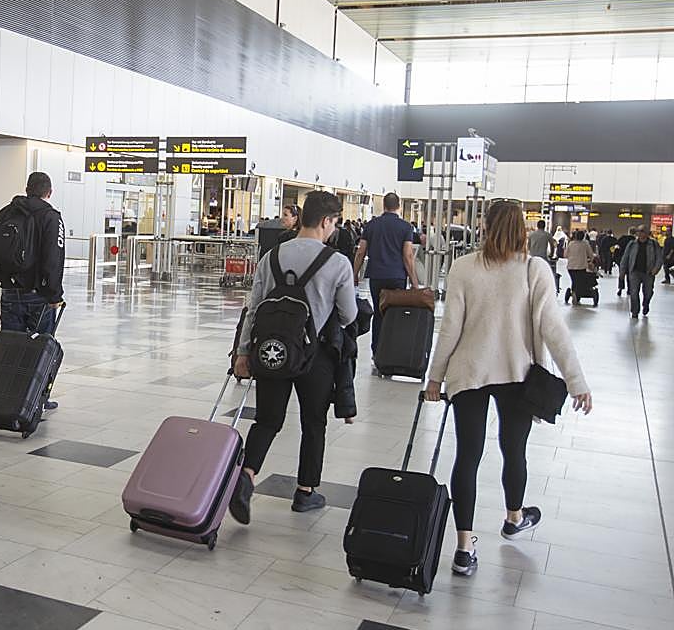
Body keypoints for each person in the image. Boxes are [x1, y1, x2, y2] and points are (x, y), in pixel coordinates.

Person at [425, 200, 590, 577]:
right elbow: (554, 331)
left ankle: (464, 548)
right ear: (523, 229)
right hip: (518, 376)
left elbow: (450, 328)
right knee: (514, 451)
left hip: (469, 373)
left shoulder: (464, 267)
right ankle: (514, 517)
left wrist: (435, 378)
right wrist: (576, 382)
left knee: (467, 455)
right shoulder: (535, 271)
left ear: (484, 226)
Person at [229, 190, 357, 521]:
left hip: (273, 350)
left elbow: (254, 309)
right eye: (334, 223)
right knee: (313, 423)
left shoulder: (270, 257)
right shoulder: (338, 263)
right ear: (327, 221)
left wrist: (243, 352)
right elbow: (347, 315)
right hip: (316, 357)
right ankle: (305, 493)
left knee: (268, 420)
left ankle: (246, 477)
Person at [0, 172, 66, 409]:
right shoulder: (51, 216)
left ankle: (5, 398)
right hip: (37, 295)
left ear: (27, 188)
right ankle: (36, 398)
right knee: (39, 347)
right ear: (49, 192)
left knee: (10, 347)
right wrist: (54, 294)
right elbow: (53, 257)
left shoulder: (7, 212)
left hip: (9, 290)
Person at [352, 192, 419, 359]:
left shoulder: (372, 225)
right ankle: (392, 352)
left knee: (379, 313)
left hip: (376, 276)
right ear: (399, 206)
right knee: (395, 315)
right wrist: (414, 281)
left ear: (384, 205)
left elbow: (361, 252)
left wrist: (354, 274)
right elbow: (408, 256)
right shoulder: (406, 227)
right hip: (397, 276)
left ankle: (377, 353)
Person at [621, 227, 661, 318]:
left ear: (647, 233)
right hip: (634, 271)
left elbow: (659, 258)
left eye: (642, 231)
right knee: (633, 292)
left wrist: (656, 269)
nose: (640, 233)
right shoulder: (632, 244)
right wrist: (622, 271)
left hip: (649, 273)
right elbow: (625, 257)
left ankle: (646, 303)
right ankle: (635, 311)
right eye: (638, 231)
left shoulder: (654, 244)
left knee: (648, 292)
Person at [563, 230, 595, 305]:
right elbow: (591, 255)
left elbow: (565, 255)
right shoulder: (585, 244)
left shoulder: (571, 244)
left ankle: (574, 293)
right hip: (581, 267)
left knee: (574, 281)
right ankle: (576, 294)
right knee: (579, 281)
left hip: (571, 267)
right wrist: (591, 260)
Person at [615, 228, 636, 295]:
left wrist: (616, 258)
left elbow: (617, 247)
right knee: (630, 275)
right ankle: (629, 290)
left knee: (621, 274)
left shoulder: (623, 238)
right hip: (631, 260)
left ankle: (620, 289)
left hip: (622, 259)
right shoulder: (635, 241)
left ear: (628, 231)